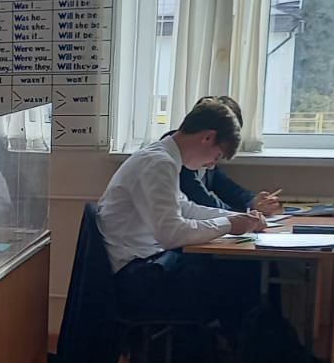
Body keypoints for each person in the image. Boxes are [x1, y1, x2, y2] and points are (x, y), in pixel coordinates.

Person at [97, 99, 268, 336]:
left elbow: (186, 208)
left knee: (239, 272)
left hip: (146, 265)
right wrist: (229, 224)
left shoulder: (163, 157)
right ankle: (252, 355)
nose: (211, 165)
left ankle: (251, 353)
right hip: (136, 280)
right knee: (239, 279)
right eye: (216, 155)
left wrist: (239, 218)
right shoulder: (158, 163)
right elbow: (171, 234)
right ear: (207, 137)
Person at [170, 96, 281, 215]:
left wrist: (252, 202)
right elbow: (200, 201)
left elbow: (227, 188)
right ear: (208, 136)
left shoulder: (199, 152)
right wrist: (239, 216)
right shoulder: (173, 158)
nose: (212, 164)